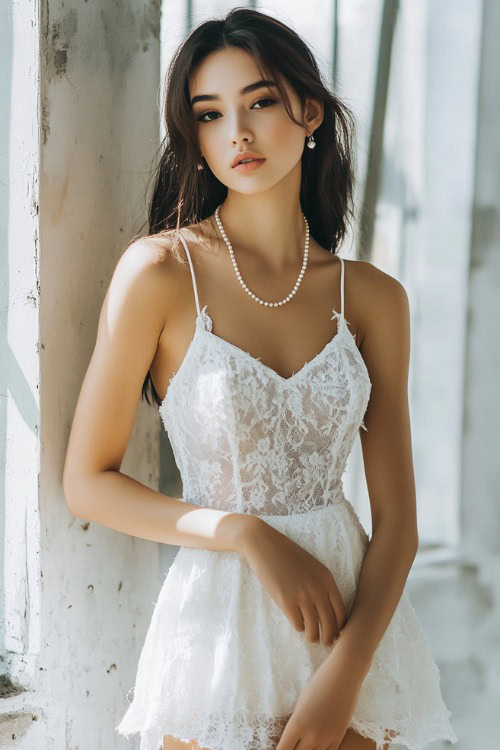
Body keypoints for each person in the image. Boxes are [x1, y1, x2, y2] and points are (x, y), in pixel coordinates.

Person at [63, 8, 459, 750]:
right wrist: (243, 532)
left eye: (260, 101)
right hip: (217, 635)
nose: (236, 134)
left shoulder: (370, 297)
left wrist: (348, 670)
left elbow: (398, 522)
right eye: (209, 114)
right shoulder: (160, 272)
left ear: (309, 110)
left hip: (348, 625)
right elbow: (87, 481)